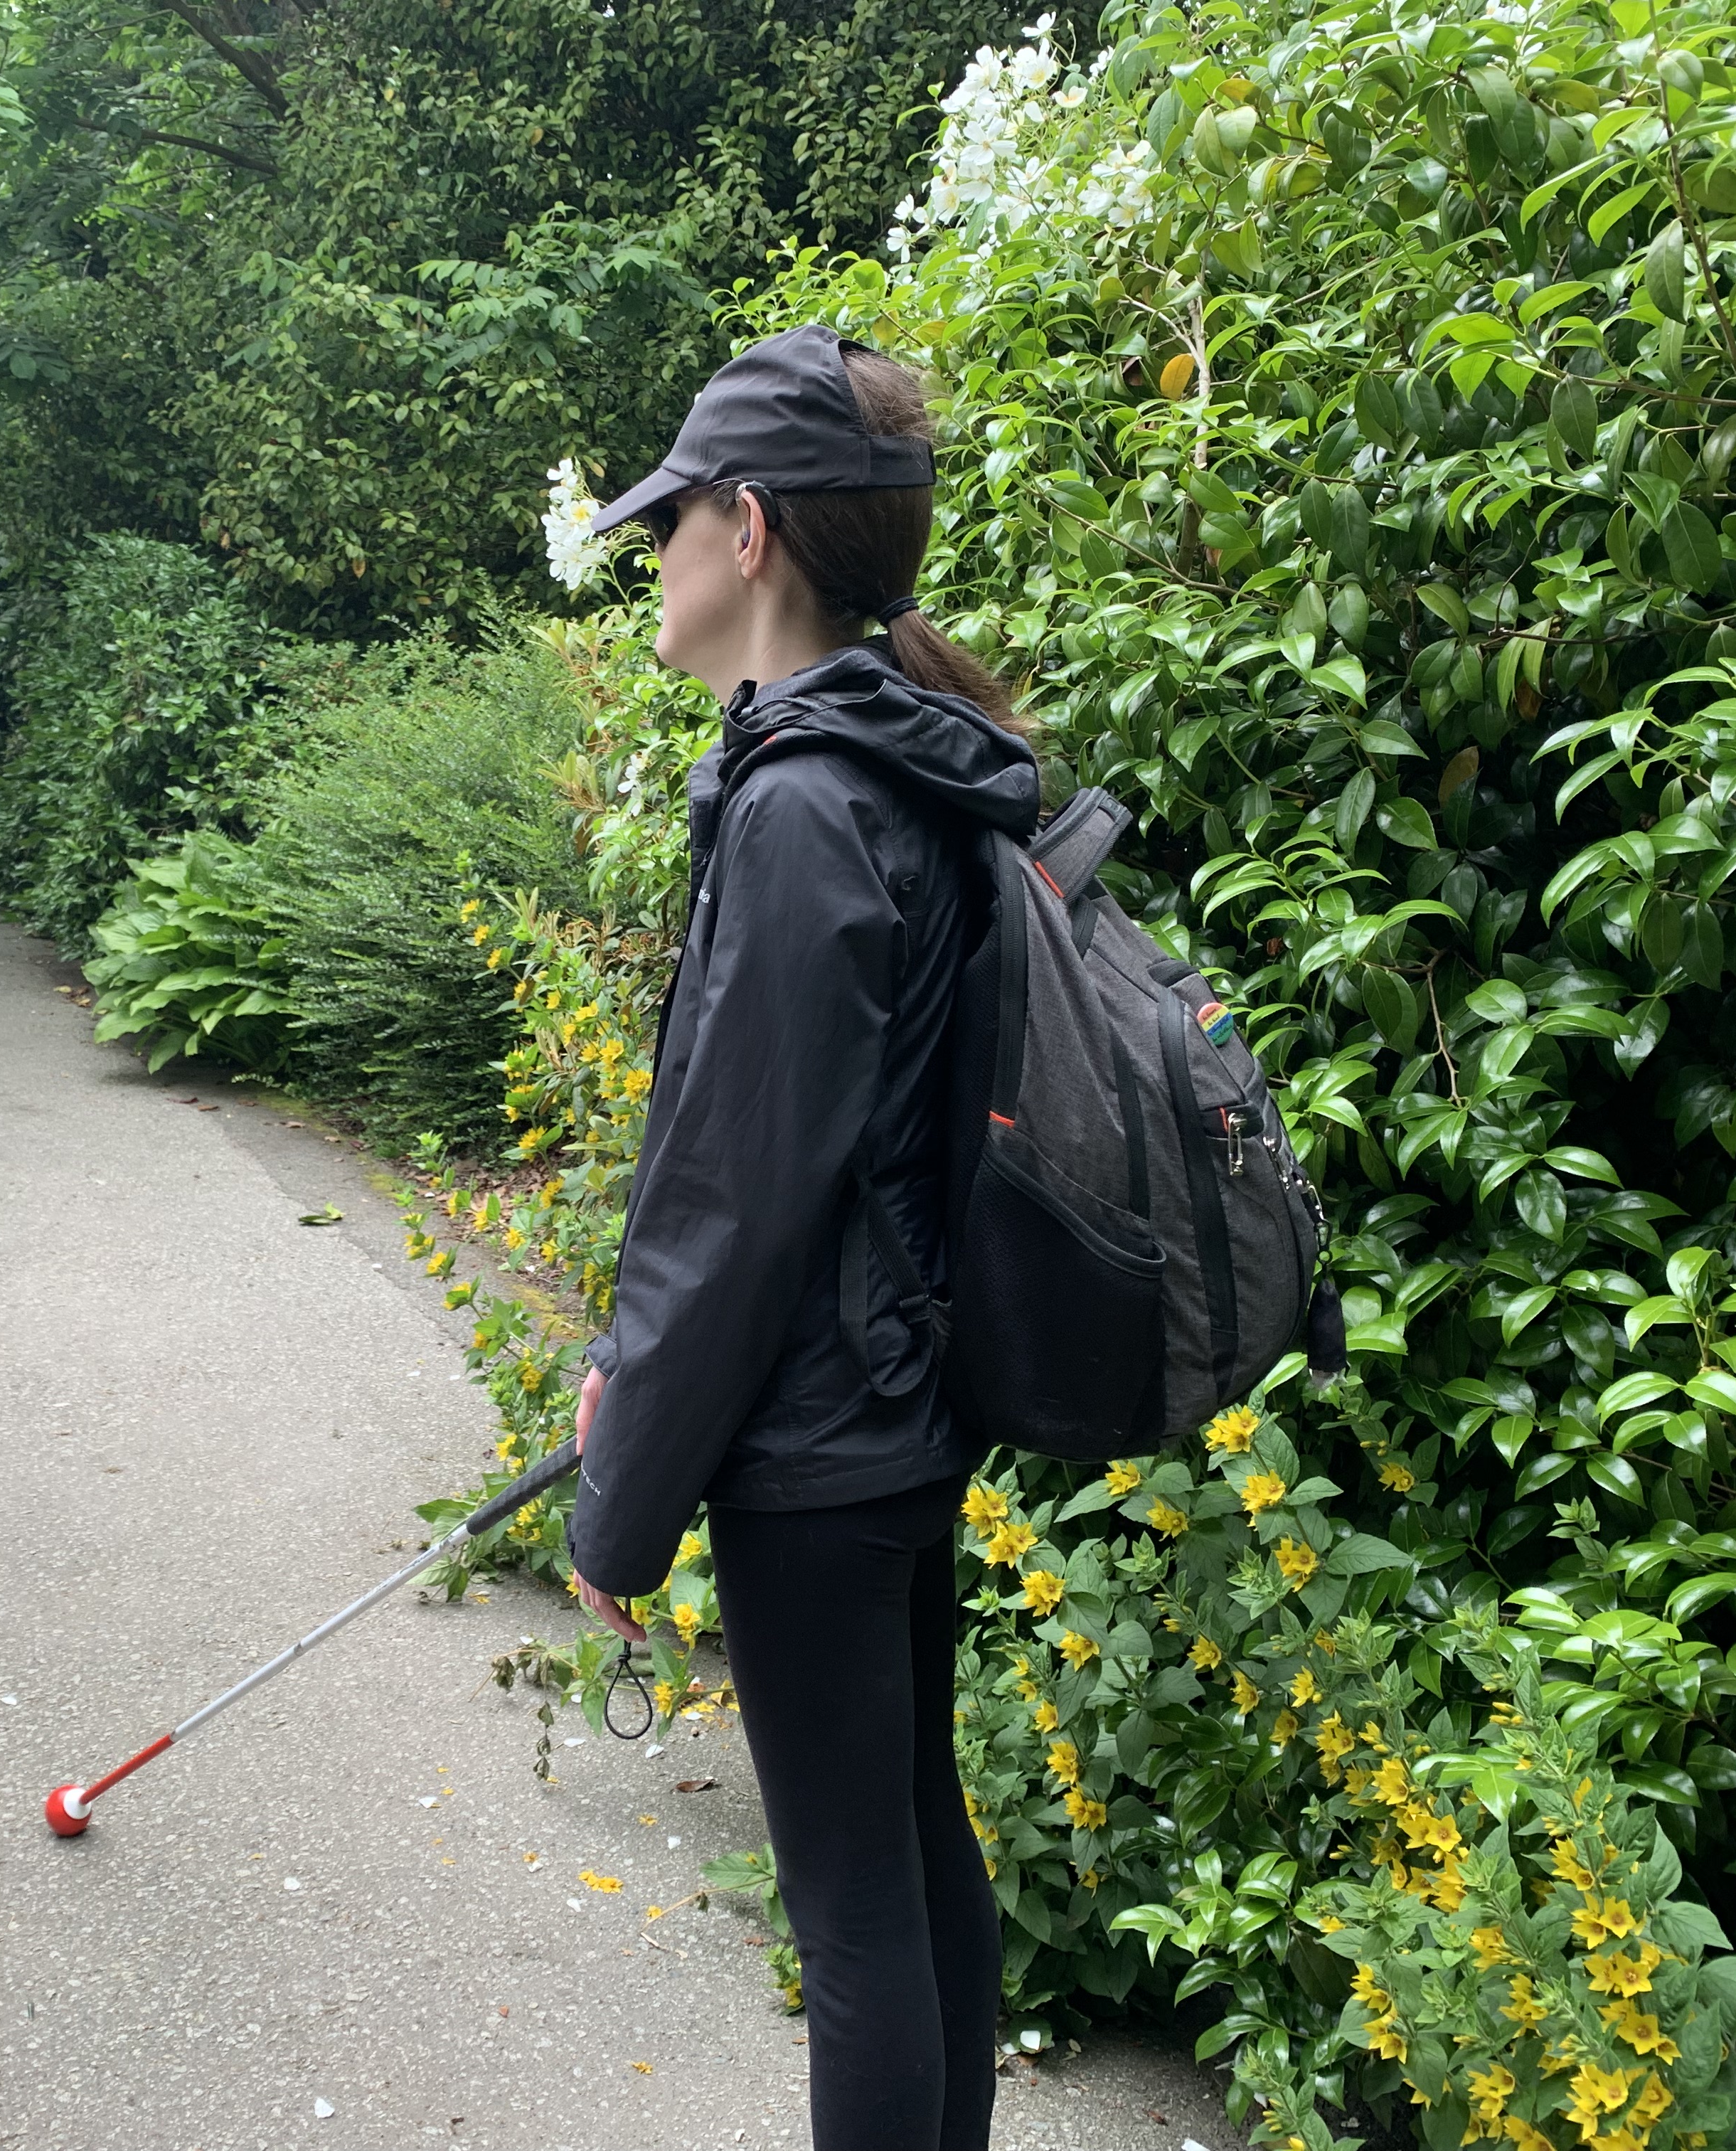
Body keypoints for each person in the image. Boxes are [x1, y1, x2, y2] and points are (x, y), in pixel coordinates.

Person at [564, 322, 1040, 2151]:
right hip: (898, 1413)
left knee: (854, 1913)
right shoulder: (906, 761)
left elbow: (732, 1209)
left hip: (819, 1444)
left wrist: (629, 1502)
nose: (657, 555)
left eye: (673, 518)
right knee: (915, 1860)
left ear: (748, 531)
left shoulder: (805, 802)